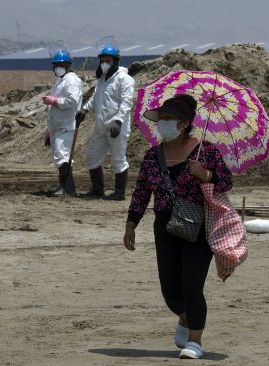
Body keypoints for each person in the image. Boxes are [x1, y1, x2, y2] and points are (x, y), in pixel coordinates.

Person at [122, 94, 233, 359]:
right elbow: (140, 193)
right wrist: (131, 224)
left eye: (168, 120)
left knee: (192, 286)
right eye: (161, 119)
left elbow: (226, 182)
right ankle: (185, 318)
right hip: (165, 226)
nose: (162, 124)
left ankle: (195, 341)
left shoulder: (206, 152)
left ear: (184, 124)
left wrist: (206, 174)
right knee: (170, 290)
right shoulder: (152, 156)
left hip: (197, 225)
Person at [75, 43, 134, 200]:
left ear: (115, 61)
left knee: (118, 158)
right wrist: (85, 110)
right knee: (92, 156)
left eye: (108, 60)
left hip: (116, 127)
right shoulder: (102, 79)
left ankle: (119, 192)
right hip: (100, 125)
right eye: (102, 60)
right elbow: (96, 97)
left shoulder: (124, 79)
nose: (105, 64)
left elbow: (126, 102)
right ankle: (97, 189)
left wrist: (119, 121)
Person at [42, 49, 83, 197]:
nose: (58, 67)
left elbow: (72, 102)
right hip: (58, 125)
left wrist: (54, 101)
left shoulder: (71, 80)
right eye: (56, 65)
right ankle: (65, 187)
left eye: (61, 64)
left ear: (68, 64)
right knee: (62, 156)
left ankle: (67, 188)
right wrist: (49, 130)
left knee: (62, 156)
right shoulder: (61, 80)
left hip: (65, 124)